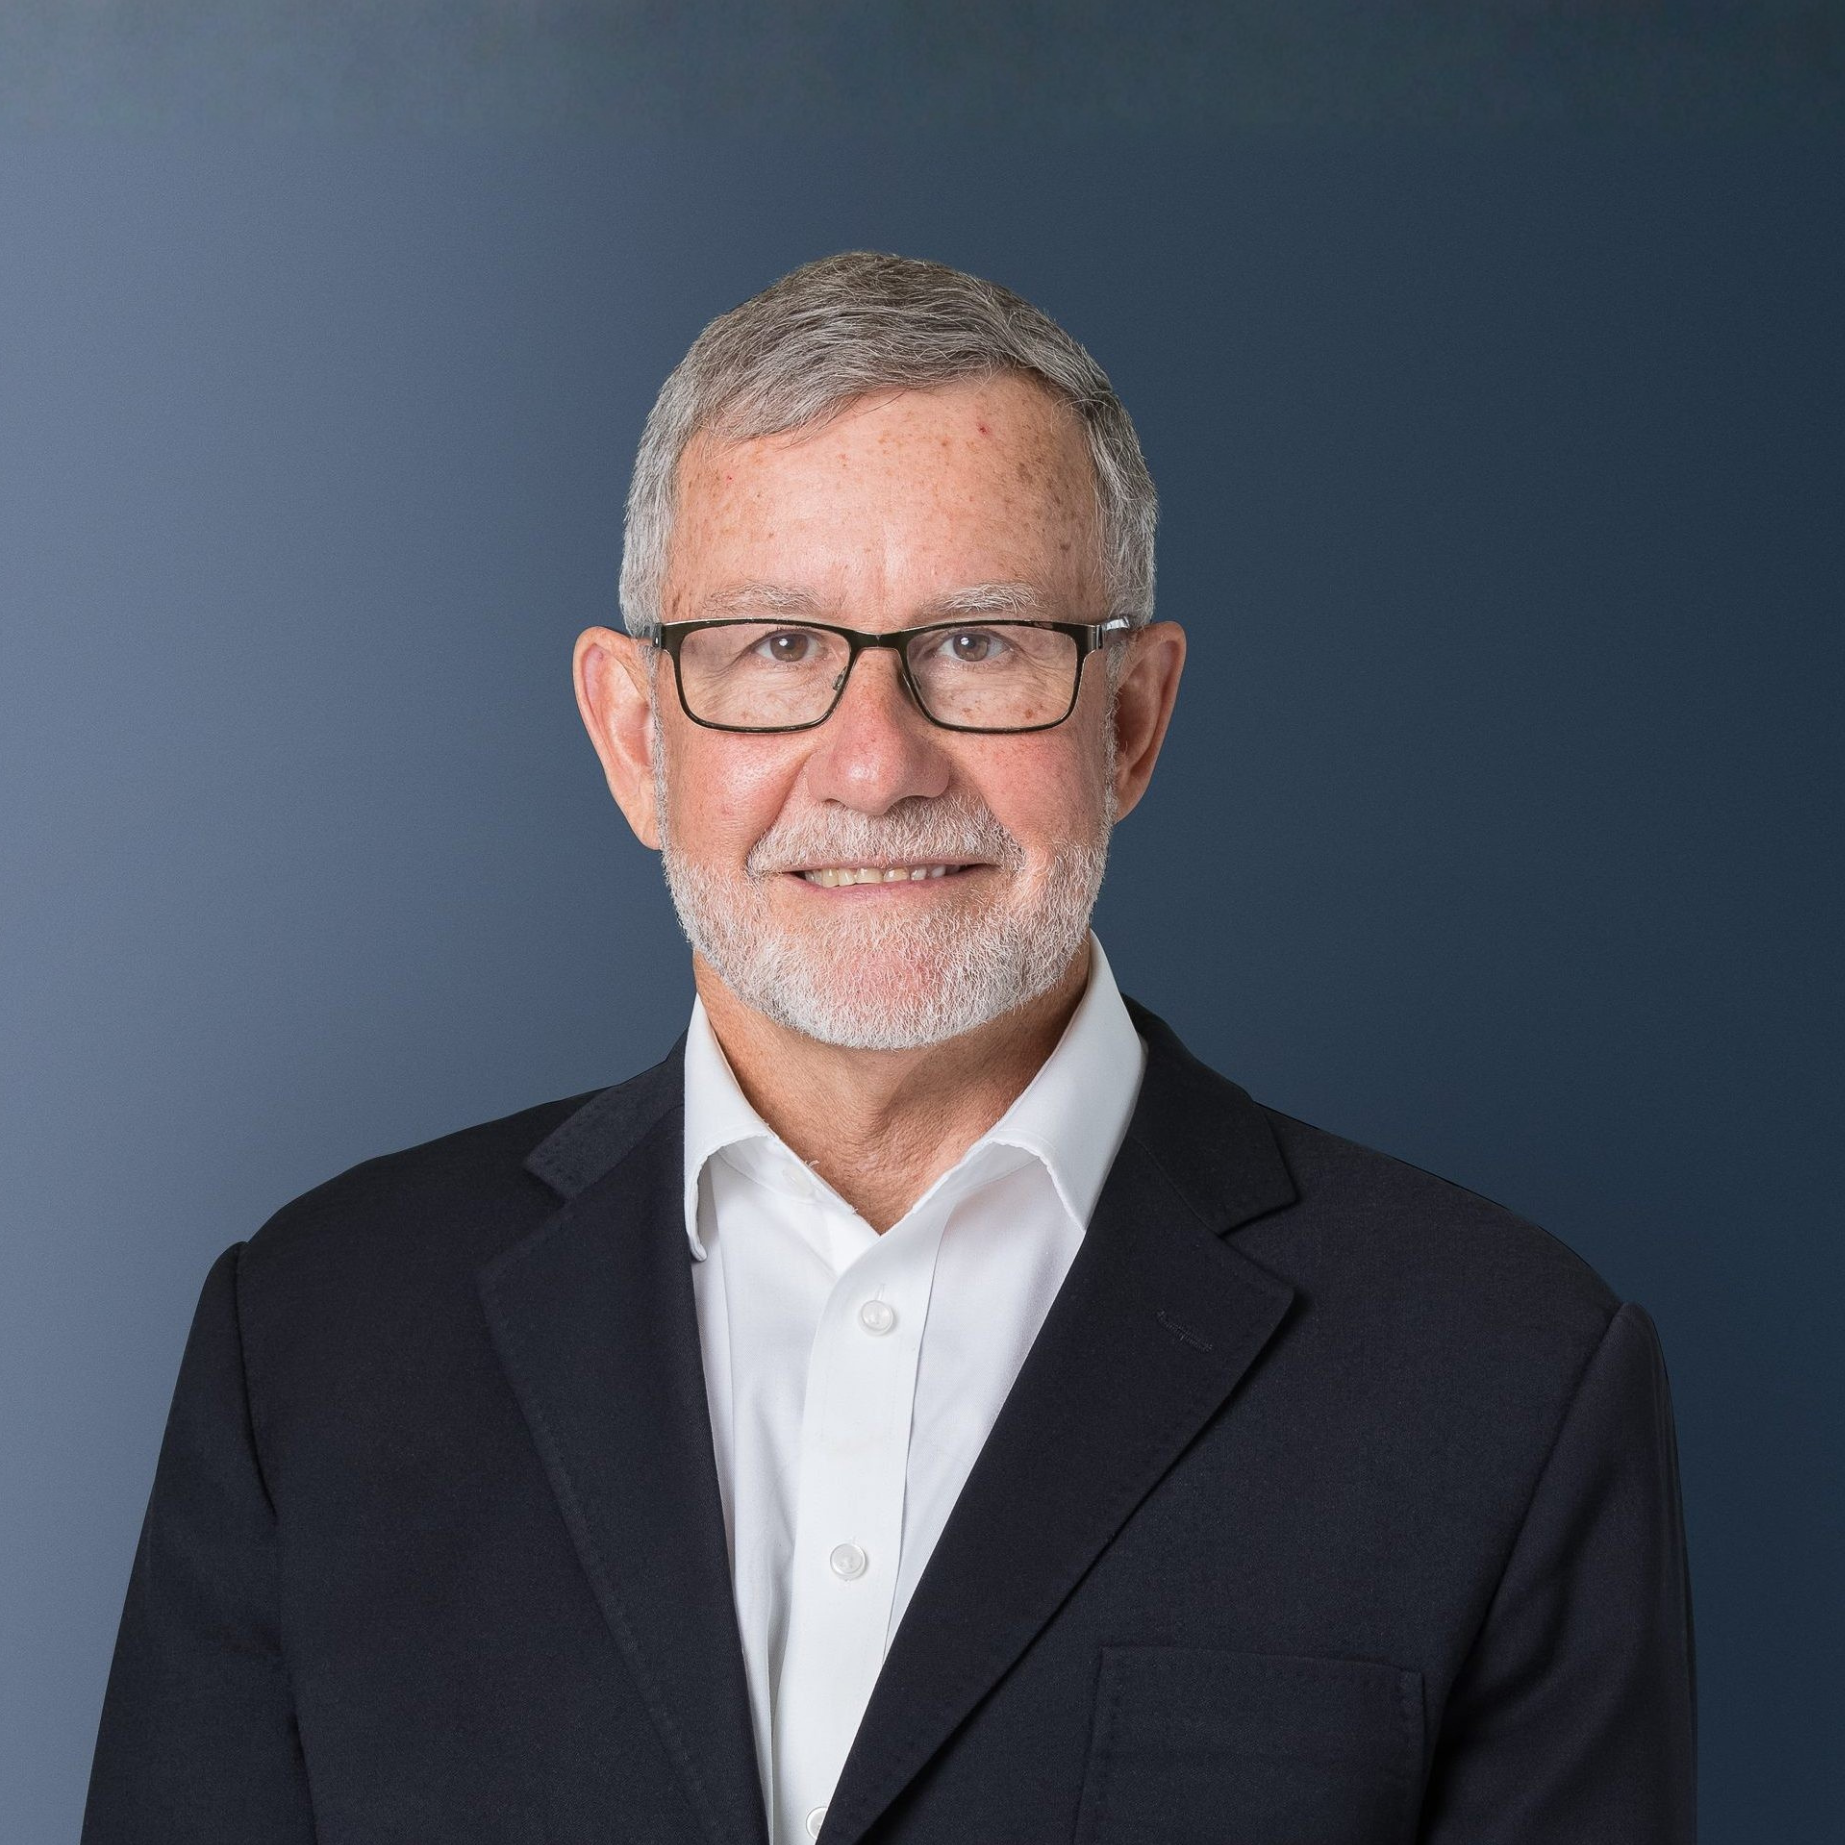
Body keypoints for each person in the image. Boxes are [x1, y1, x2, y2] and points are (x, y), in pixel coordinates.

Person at [81, 251, 1696, 1845]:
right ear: (637, 738)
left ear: (1131, 721)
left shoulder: (1505, 1381)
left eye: (980, 644)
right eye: (776, 645)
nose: (874, 765)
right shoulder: (310, 1348)